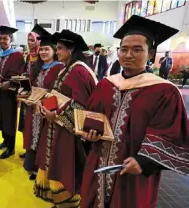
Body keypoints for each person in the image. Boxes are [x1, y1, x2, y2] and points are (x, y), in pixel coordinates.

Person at [80, 15, 189, 208]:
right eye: (124, 49)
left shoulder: (164, 91)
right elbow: (92, 116)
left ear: (150, 54)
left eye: (137, 49)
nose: (128, 54)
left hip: (132, 170)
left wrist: (145, 161)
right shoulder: (106, 84)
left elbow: (169, 132)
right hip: (98, 163)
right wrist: (89, 133)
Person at [34, 29, 97, 208]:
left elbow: (83, 107)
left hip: (68, 133)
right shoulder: (67, 68)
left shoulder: (79, 71)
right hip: (57, 127)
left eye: (60, 48)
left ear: (71, 50)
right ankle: (61, 202)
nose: (57, 52)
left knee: (66, 166)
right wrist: (43, 104)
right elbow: (59, 95)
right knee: (56, 164)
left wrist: (57, 115)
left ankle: (70, 203)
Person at [22, 33, 64, 181]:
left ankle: (40, 168)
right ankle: (31, 165)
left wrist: (44, 103)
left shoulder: (59, 68)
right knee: (31, 135)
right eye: (42, 49)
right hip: (32, 109)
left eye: (47, 49)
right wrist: (26, 97)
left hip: (47, 110)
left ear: (53, 51)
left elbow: (58, 92)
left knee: (43, 138)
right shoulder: (37, 66)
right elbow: (30, 86)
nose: (43, 52)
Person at [0, 25, 25, 159]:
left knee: (9, 118)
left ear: (11, 40)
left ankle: (11, 147)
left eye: (5, 38)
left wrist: (9, 83)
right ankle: (5, 141)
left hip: (10, 93)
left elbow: (21, 74)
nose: (2, 41)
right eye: (0, 38)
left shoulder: (17, 56)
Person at [18, 24, 47, 159]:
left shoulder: (43, 57)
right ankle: (29, 151)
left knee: (37, 127)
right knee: (27, 125)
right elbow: (25, 72)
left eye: (32, 40)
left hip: (39, 98)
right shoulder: (28, 56)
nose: (29, 43)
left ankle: (36, 156)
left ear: (38, 41)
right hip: (27, 96)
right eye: (28, 40)